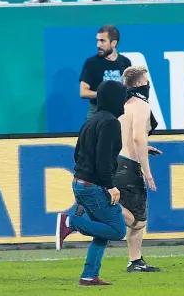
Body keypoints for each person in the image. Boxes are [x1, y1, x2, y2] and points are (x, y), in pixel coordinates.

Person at [55, 80, 127, 286]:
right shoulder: (111, 122)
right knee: (117, 230)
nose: (124, 102)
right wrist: (110, 185)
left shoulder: (91, 120)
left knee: (101, 230)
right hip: (94, 185)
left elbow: (77, 153)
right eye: (122, 97)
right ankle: (70, 222)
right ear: (115, 99)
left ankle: (89, 275)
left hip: (81, 182)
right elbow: (103, 159)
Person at [115, 66, 162, 273]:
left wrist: (144, 148)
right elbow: (138, 137)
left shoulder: (123, 105)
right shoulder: (141, 104)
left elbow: (124, 136)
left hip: (117, 160)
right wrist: (147, 171)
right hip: (129, 165)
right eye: (145, 80)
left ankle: (135, 261)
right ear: (138, 84)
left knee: (135, 218)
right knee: (139, 221)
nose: (147, 84)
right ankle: (91, 212)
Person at [79, 25, 132, 119]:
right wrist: (105, 94)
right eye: (97, 40)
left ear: (114, 43)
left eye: (102, 41)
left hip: (120, 112)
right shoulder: (91, 63)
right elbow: (83, 92)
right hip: (96, 112)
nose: (98, 45)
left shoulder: (125, 62)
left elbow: (129, 90)